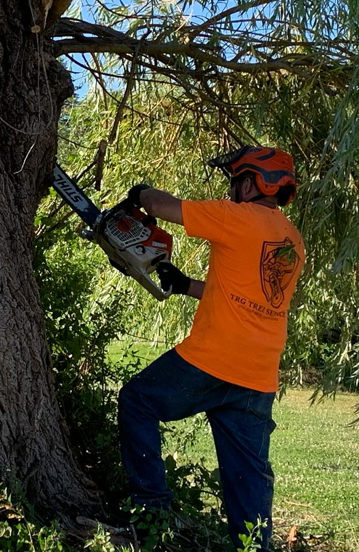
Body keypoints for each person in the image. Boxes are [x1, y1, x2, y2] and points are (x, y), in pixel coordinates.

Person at [118, 146, 305, 551]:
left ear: (253, 182)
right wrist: (185, 285)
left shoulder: (236, 217)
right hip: (258, 373)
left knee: (137, 401)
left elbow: (164, 207)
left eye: (237, 181)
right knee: (248, 475)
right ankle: (253, 546)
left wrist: (140, 194)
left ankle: (151, 512)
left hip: (214, 358)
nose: (233, 189)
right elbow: (246, 294)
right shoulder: (292, 241)